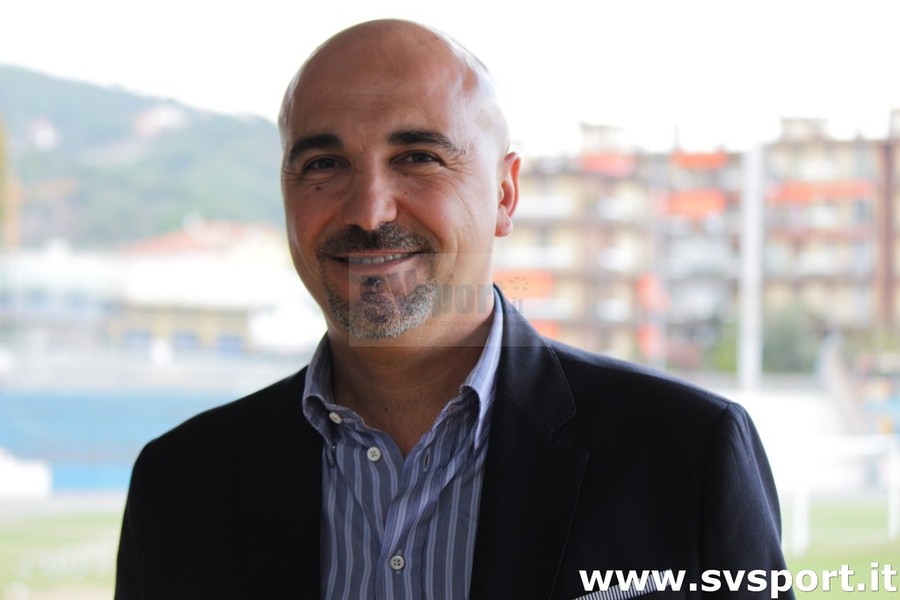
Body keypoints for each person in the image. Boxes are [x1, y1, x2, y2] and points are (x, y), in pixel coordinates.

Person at [115, 19, 794, 600]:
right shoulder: (179, 484)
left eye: (417, 157)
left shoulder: (685, 457)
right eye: (324, 164)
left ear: (504, 194)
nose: (369, 210)